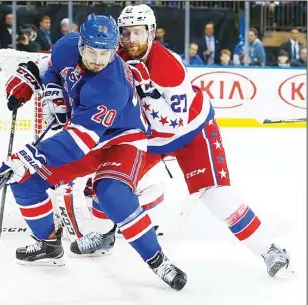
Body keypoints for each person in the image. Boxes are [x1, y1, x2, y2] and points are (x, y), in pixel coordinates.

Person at [70, 4, 291, 279]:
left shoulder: (169, 65)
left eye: (138, 32)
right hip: (149, 138)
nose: (131, 40)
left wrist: (147, 90)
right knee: (106, 180)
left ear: (151, 33)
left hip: (191, 132)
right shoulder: (113, 54)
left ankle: (268, 249)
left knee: (215, 194)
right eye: (126, 33)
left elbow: (172, 122)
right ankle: (104, 235)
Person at [1, 13, 187, 291]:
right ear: (80, 45)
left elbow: (78, 141)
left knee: (111, 192)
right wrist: (39, 80)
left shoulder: (111, 85)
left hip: (122, 139)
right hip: (86, 133)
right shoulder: (66, 45)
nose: (99, 59)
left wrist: (31, 155)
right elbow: (52, 66)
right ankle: (49, 244)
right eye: (92, 51)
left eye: (106, 53)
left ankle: (158, 260)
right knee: (24, 180)